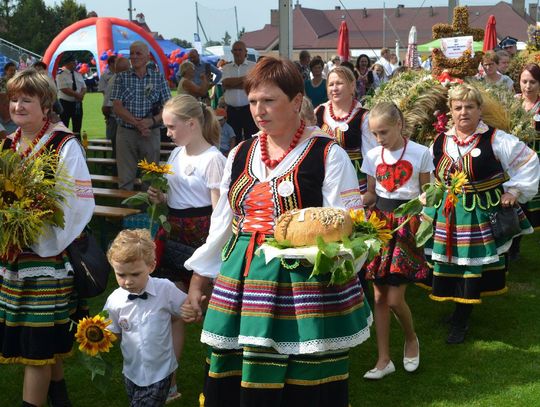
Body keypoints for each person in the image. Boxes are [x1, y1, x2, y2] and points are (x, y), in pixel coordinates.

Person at [182, 57, 372, 407]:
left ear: (297, 101)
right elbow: (223, 223)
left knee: (302, 383)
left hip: (301, 286)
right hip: (241, 280)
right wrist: (198, 281)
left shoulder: (327, 154)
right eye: (253, 101)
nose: (258, 110)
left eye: (269, 100)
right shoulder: (240, 152)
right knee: (238, 377)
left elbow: (349, 224)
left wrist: (330, 266)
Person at [0, 68, 95, 407]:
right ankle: (61, 399)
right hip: (13, 257)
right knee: (43, 336)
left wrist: (40, 237)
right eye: (13, 99)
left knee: (35, 345)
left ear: (46, 104)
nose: (18, 106)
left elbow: (78, 204)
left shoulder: (63, 144)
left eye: (27, 99)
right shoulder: (7, 144)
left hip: (48, 258)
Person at [423, 83, 540, 344]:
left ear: (479, 110)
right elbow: (432, 173)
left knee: (470, 266)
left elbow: (530, 161)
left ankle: (462, 318)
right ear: (450, 111)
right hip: (448, 212)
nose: (463, 112)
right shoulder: (441, 140)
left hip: (479, 214)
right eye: (458, 107)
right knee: (451, 262)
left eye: (469, 107)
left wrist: (514, 192)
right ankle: (458, 311)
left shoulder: (495, 139)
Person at [147, 94, 226, 401]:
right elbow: (175, 197)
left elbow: (219, 214)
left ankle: (220, 376)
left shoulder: (214, 160)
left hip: (204, 238)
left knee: (208, 312)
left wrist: (209, 254)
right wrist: (159, 197)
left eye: (171, 126)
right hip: (175, 233)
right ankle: (170, 382)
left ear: (191, 124)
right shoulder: (177, 154)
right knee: (174, 312)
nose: (167, 133)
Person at [360, 102, 433, 379]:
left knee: (393, 298)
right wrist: (353, 205)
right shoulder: (372, 155)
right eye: (375, 133)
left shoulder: (421, 153)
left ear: (400, 125)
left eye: (384, 132)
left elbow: (428, 192)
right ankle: (383, 360)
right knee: (378, 296)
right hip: (379, 223)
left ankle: (411, 338)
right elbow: (370, 193)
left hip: (407, 224)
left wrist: (426, 208)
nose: (379, 139)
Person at [104, 229, 187, 407]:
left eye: (135, 274)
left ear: (151, 266)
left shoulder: (165, 288)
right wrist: (98, 337)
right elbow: (111, 332)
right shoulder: (114, 300)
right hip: (132, 371)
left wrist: (192, 310)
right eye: (121, 275)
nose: (127, 281)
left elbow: (184, 309)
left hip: (160, 372)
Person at [110, 40, 171, 190]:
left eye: (138, 53)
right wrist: (138, 124)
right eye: (131, 53)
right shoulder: (121, 78)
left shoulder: (158, 78)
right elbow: (117, 107)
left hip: (150, 133)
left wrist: (151, 121)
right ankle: (125, 213)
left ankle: (149, 213)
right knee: (125, 179)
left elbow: (169, 107)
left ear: (147, 57)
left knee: (150, 179)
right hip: (126, 133)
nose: (134, 57)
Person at [315, 66, 378, 194]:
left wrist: (371, 192)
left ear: (352, 85)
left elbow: (371, 156)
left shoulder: (363, 117)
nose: (334, 88)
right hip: (324, 181)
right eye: (331, 84)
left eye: (339, 83)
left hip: (354, 183)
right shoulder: (319, 112)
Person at [509, 63, 540, 259]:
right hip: (514, 161)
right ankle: (513, 245)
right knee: (514, 201)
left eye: (532, 82)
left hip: (537, 158)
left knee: (531, 201)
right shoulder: (513, 102)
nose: (527, 86)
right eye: (524, 81)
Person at [221, 41, 258, 141]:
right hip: (232, 111)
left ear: (245, 52)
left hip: (248, 110)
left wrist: (232, 84)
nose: (237, 52)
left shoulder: (253, 66)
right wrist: (246, 78)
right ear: (232, 52)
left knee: (251, 138)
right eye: (235, 50)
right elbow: (225, 84)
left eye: (240, 50)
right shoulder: (226, 67)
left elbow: (253, 85)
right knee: (233, 138)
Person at [101, 57, 130, 158]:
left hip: (123, 121)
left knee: (124, 152)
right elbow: (106, 107)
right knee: (119, 153)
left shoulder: (120, 79)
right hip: (117, 121)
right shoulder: (116, 81)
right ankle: (116, 173)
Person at [55, 52, 86, 138]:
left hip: (77, 104)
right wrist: (77, 95)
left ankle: (77, 143)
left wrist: (81, 95)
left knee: (77, 125)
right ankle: (64, 142)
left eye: (75, 62)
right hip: (65, 103)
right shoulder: (61, 75)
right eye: (73, 62)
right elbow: (63, 88)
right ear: (67, 63)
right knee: (64, 125)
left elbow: (84, 87)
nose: (75, 64)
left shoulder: (78, 74)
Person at [0, 61, 18, 133]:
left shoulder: (16, 83)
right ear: (6, 71)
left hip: (12, 111)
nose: (13, 72)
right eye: (11, 70)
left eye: (14, 70)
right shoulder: (1, 81)